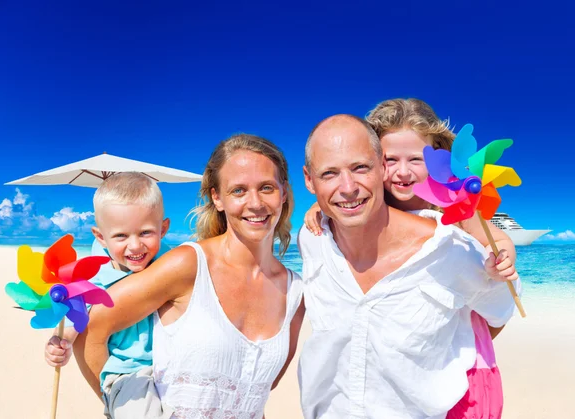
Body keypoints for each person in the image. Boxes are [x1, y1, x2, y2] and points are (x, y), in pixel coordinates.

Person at [303, 99, 518, 417]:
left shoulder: (450, 211)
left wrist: (502, 257)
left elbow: (497, 244)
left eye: (416, 159)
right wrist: (322, 205)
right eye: (391, 159)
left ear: (439, 161)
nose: (402, 172)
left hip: (462, 353)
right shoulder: (356, 203)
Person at [73, 134, 305, 418]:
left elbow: (256, 393)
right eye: (239, 191)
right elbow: (90, 330)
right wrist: (121, 404)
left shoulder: (295, 291)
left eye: (266, 187)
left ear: (284, 192)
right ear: (217, 198)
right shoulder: (187, 265)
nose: (255, 203)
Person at [44, 172, 172, 419]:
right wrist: (60, 343)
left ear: (163, 228)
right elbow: (73, 320)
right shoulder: (92, 280)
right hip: (128, 372)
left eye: (146, 232)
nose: (135, 246)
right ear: (101, 237)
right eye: (121, 236)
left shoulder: (170, 265)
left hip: (174, 366)